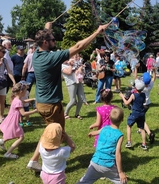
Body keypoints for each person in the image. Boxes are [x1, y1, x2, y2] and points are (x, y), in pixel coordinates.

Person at [26, 22, 107, 171]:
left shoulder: (36, 54)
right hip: (51, 105)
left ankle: (34, 160)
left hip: (42, 103)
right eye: (52, 39)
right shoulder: (52, 58)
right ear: (45, 42)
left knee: (49, 132)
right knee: (55, 136)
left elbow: (45, 37)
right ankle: (50, 168)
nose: (55, 41)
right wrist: (97, 32)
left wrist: (47, 26)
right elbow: (78, 47)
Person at [77, 107, 127, 183]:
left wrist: (93, 133)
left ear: (109, 118)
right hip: (108, 166)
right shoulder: (119, 135)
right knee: (123, 181)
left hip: (95, 163)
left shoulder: (105, 128)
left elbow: (99, 131)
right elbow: (117, 154)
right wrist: (120, 172)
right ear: (122, 120)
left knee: (84, 182)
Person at [0, 82, 37, 158]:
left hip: (10, 120)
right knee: (21, 137)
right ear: (21, 92)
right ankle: (8, 154)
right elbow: (23, 114)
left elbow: (24, 101)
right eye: (25, 91)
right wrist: (35, 111)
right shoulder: (18, 102)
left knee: (12, 133)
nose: (26, 92)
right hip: (13, 122)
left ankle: (2, 141)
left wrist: (33, 99)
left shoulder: (16, 99)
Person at [119, 80, 148, 150]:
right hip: (142, 113)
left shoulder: (133, 95)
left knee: (129, 126)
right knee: (142, 128)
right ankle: (144, 144)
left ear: (135, 88)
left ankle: (129, 142)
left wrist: (122, 96)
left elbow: (126, 103)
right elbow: (144, 101)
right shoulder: (144, 94)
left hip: (135, 113)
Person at [62, 55, 85, 120]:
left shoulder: (73, 63)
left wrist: (81, 68)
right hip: (71, 83)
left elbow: (80, 69)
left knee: (81, 99)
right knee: (73, 100)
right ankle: (65, 113)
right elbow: (69, 72)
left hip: (78, 81)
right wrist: (70, 65)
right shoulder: (62, 66)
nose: (67, 60)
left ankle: (77, 114)